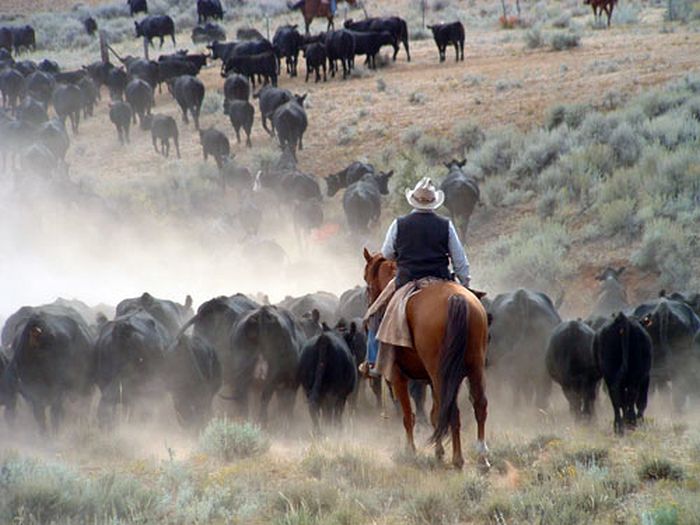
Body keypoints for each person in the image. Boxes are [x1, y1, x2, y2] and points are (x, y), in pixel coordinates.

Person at [360, 177, 472, 377]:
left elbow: (387, 254)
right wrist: (465, 284)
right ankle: (478, 355)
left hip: (408, 281)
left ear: (413, 200)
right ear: (433, 203)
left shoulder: (399, 224)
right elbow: (460, 261)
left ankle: (374, 362)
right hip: (442, 279)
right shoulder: (446, 225)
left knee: (375, 313)